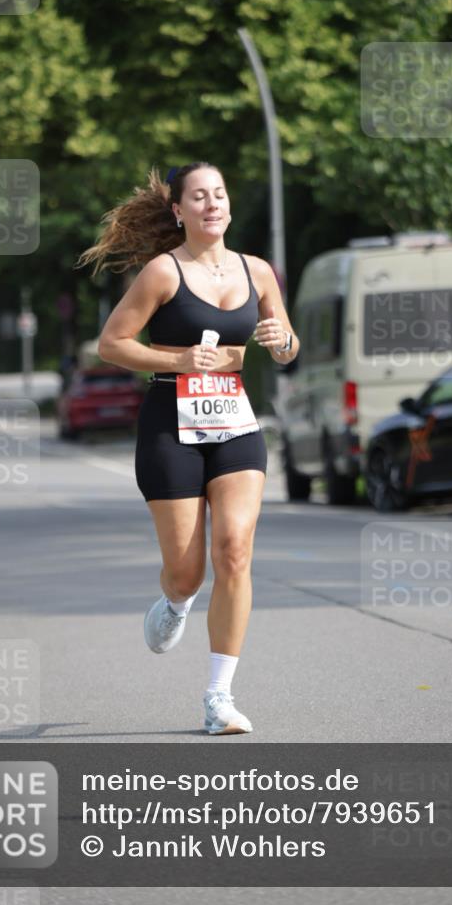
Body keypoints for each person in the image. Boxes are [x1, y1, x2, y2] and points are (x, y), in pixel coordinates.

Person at [78, 163, 299, 734]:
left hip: (234, 421)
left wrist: (282, 342)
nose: (212, 204)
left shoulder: (258, 272)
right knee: (188, 572)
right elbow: (112, 344)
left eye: (220, 193)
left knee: (235, 551)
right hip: (170, 425)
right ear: (178, 210)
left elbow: (285, 343)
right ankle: (175, 603)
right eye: (198, 197)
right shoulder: (162, 273)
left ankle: (218, 696)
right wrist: (177, 360)